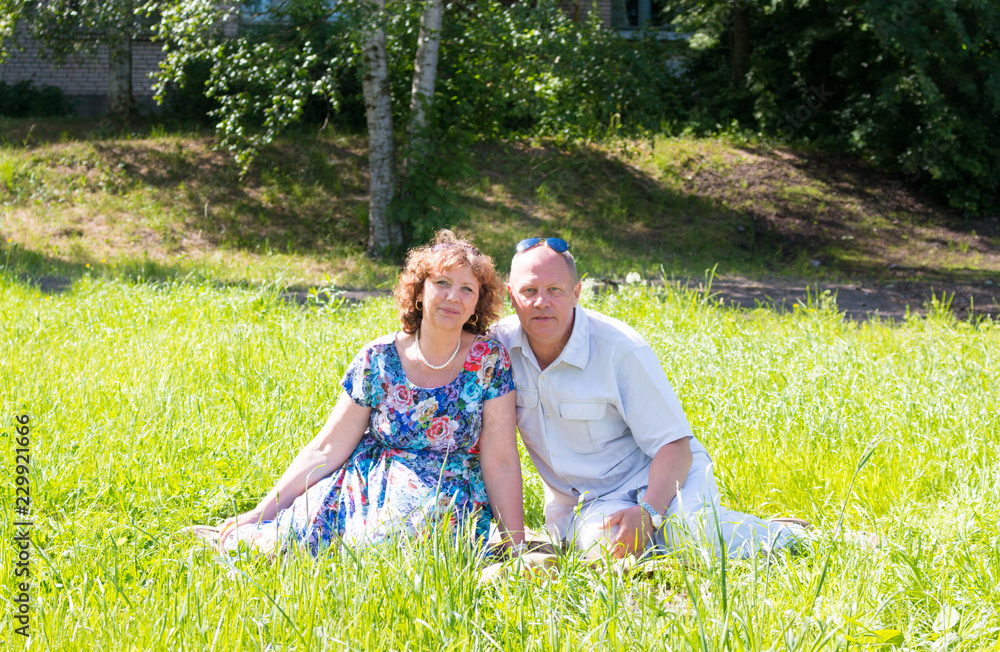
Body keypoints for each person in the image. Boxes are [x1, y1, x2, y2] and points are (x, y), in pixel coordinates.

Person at [192, 231, 526, 555]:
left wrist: (516, 545)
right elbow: (327, 447)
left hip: (446, 493)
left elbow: (501, 459)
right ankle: (242, 535)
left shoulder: (489, 360)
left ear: (476, 304)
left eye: (467, 289)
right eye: (442, 283)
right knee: (284, 541)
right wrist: (261, 511)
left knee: (385, 545)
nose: (453, 296)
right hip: (365, 483)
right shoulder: (378, 357)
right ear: (420, 291)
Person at [491, 237, 800, 560]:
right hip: (592, 501)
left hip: (666, 475)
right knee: (604, 548)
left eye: (554, 290)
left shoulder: (619, 348)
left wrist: (649, 513)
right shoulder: (497, 349)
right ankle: (677, 536)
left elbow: (675, 445)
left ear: (576, 293)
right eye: (529, 291)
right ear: (511, 295)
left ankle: (787, 534)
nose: (541, 302)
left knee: (692, 538)